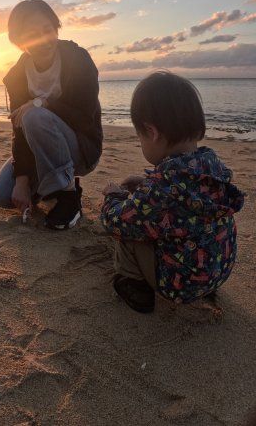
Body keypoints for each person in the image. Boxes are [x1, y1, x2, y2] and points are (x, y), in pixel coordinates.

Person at [100, 71, 245, 313]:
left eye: (140, 137)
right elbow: (180, 205)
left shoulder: (164, 189)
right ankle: (205, 285)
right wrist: (146, 186)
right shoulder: (214, 169)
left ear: (152, 132)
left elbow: (113, 221)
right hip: (218, 271)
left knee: (128, 229)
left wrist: (113, 196)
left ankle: (134, 285)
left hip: (178, 286)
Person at [0, 0, 102, 229]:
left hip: (80, 149)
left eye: (47, 29)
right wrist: (21, 180)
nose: (43, 39)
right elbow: (18, 131)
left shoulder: (78, 60)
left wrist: (43, 103)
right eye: (33, 34)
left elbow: (85, 118)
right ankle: (52, 187)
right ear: (20, 40)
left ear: (56, 29)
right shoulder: (17, 76)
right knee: (3, 195)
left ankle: (69, 197)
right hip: (39, 148)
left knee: (34, 114)